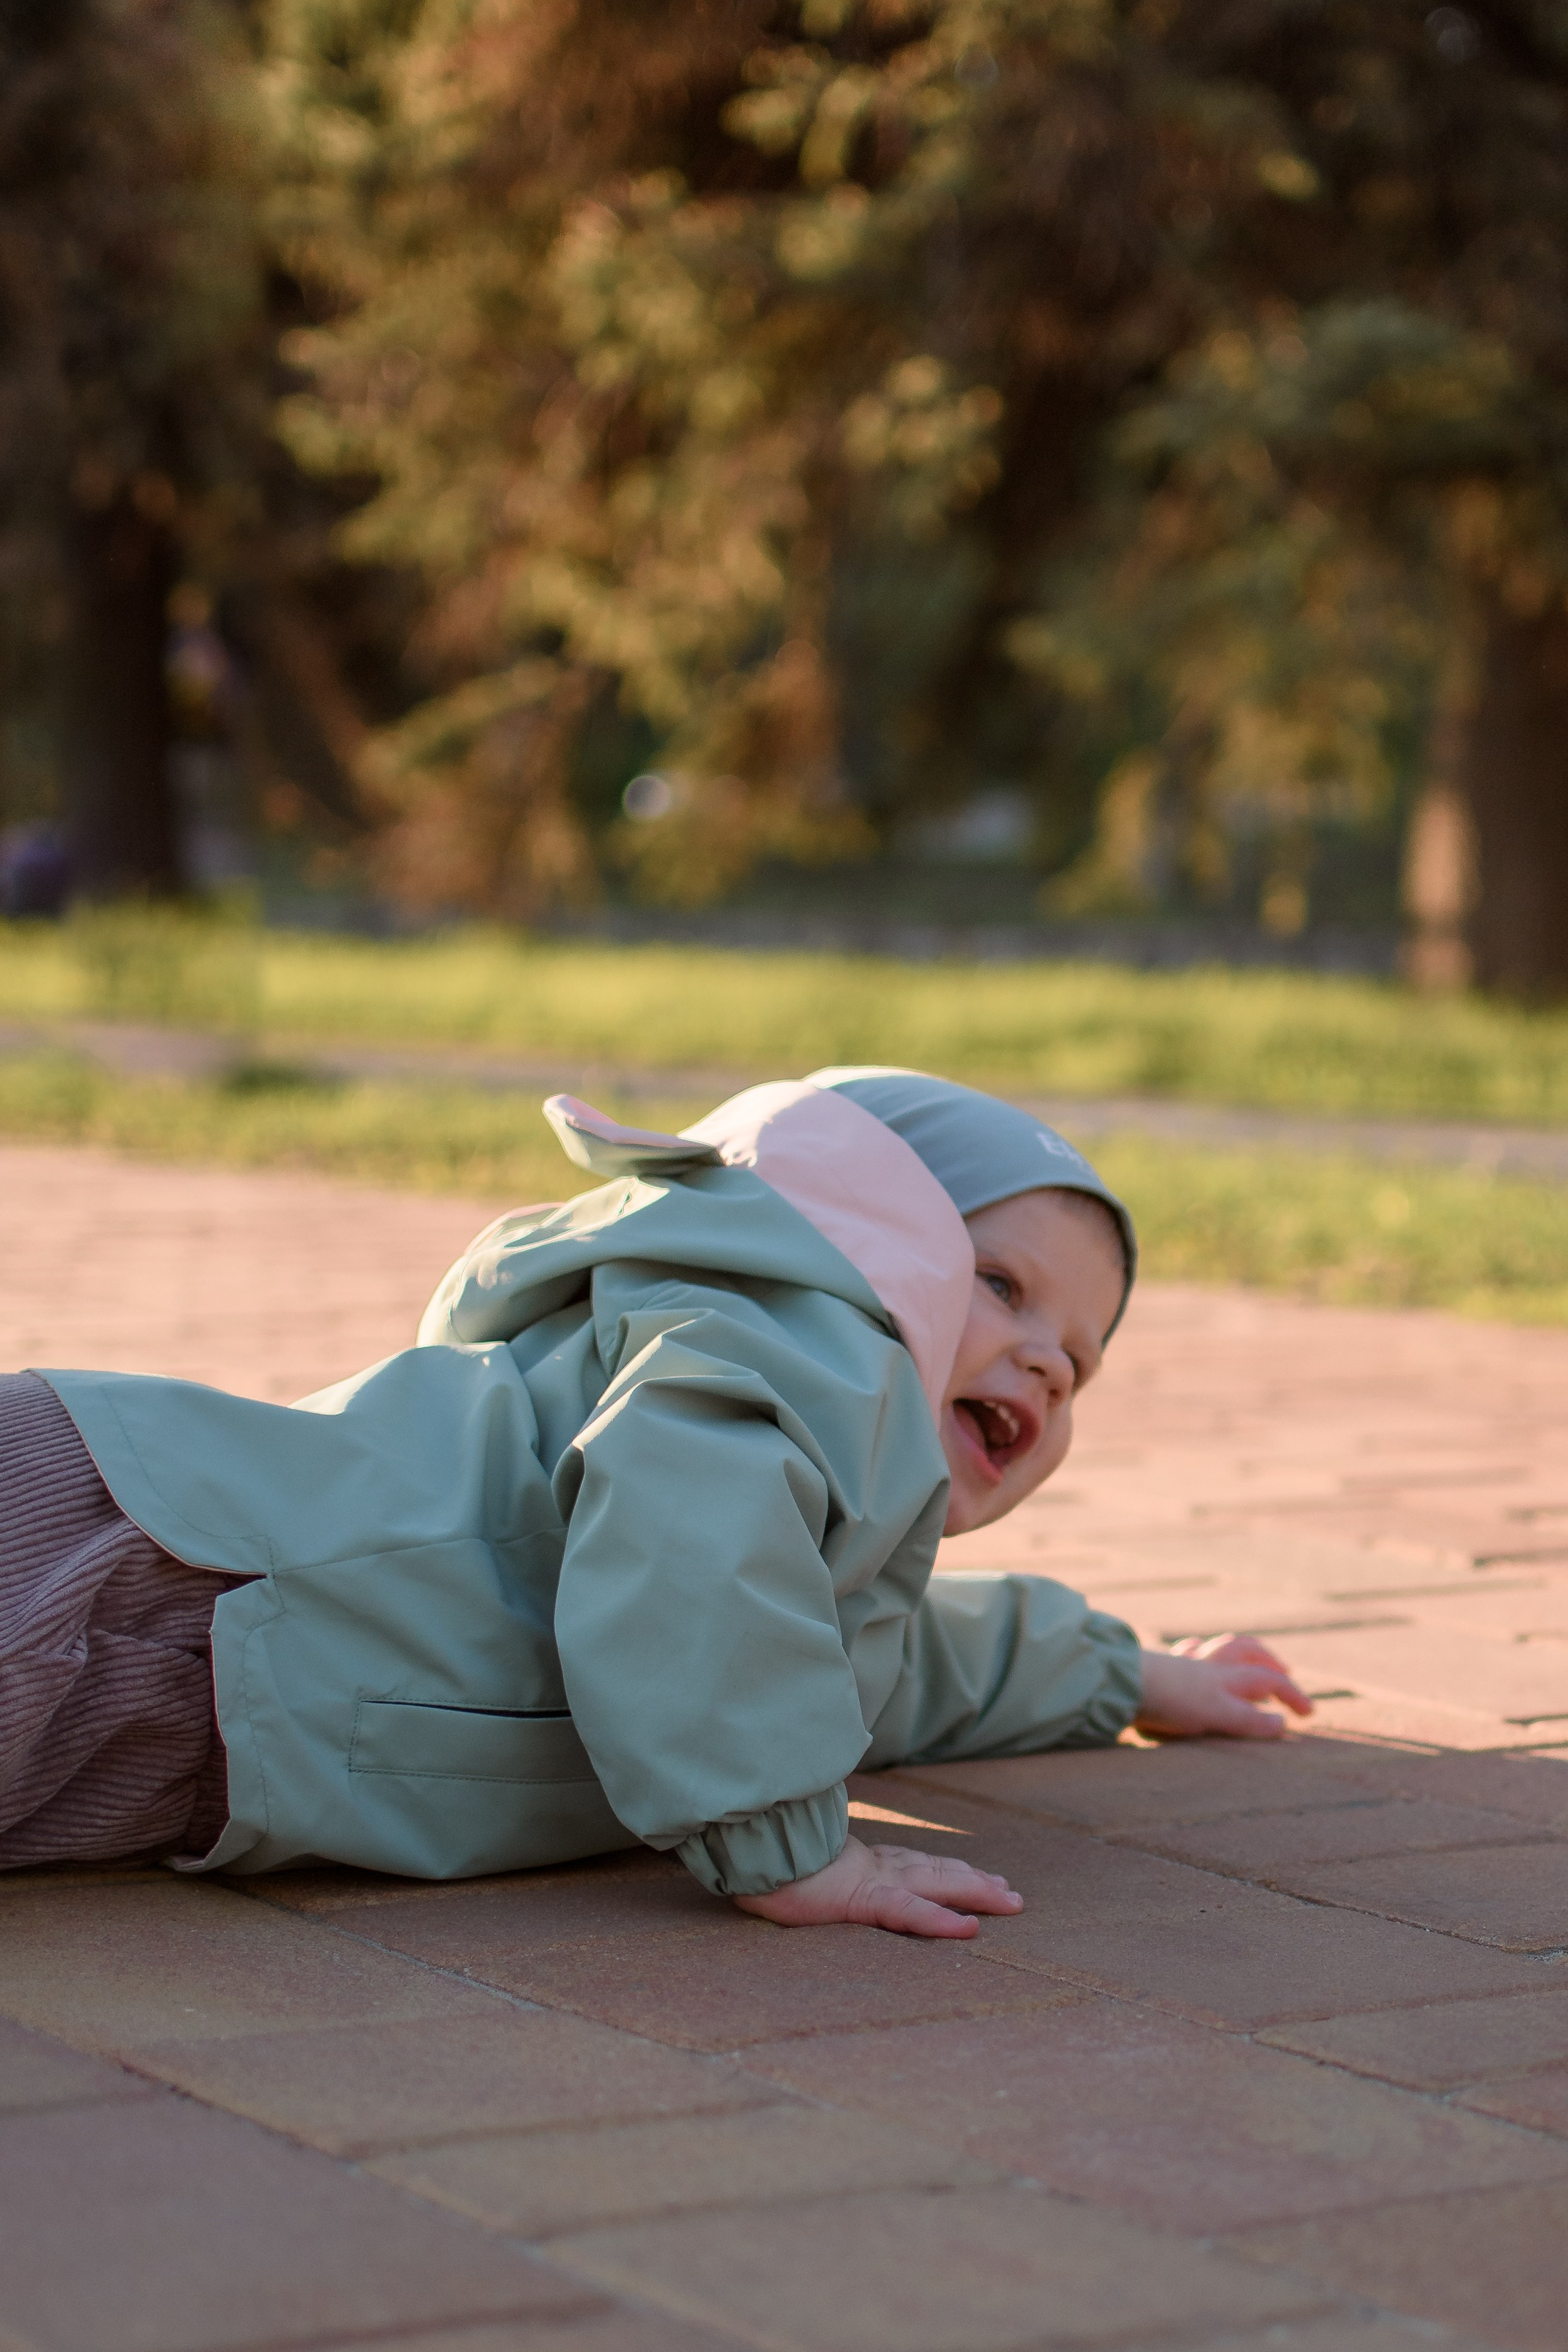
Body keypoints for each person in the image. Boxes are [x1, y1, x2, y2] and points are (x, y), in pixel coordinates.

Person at [0, 1066, 1309, 1934]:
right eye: (1006, 1287)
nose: (1043, 1361)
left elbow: (874, 1665)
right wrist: (798, 1849)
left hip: (170, 1673)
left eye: (1078, 1364)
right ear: (869, 1241)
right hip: (137, 1575)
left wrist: (1119, 1674)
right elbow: (697, 1538)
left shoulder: (806, 1506)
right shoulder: (794, 1344)